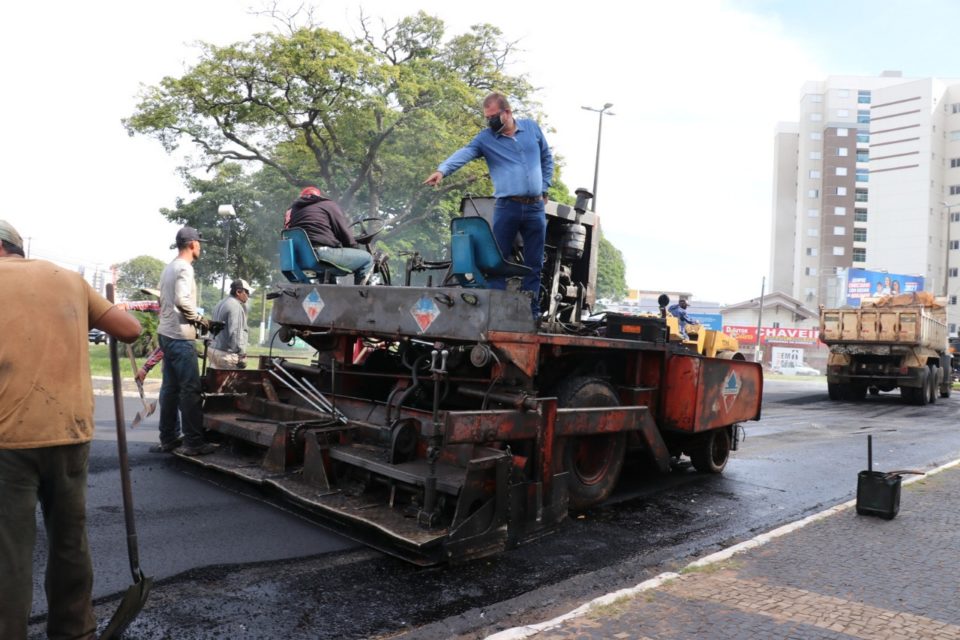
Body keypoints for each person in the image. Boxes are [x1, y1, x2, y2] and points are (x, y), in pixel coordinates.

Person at [0, 219, 142, 640]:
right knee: (69, 540)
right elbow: (130, 330)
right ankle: (75, 630)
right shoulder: (70, 279)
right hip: (71, 430)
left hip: (9, 439)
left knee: (9, 552)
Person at [423, 92, 554, 318]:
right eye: (487, 117)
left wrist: (544, 187)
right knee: (497, 261)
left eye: (493, 116)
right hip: (507, 207)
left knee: (535, 263)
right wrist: (442, 170)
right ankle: (496, 314)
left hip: (535, 208)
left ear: (508, 113)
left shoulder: (532, 129)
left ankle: (530, 313)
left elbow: (546, 158)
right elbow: (465, 153)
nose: (490, 121)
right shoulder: (486, 139)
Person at [156, 226, 217, 456]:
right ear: (192, 244)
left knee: (169, 389)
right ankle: (194, 442)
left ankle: (169, 438)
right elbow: (182, 300)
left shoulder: (169, 267)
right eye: (199, 243)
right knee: (190, 390)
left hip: (166, 334)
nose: (200, 246)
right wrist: (200, 320)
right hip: (180, 337)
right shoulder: (185, 268)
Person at [285, 186, 373, 284]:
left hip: (298, 258)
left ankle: (328, 295)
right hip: (321, 254)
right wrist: (354, 248)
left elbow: (287, 231)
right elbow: (343, 232)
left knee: (326, 267)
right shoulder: (327, 204)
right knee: (367, 259)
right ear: (318, 196)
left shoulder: (292, 211)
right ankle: (361, 296)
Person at [209, 279, 252, 369]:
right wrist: (241, 354)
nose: (248, 295)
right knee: (232, 383)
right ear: (238, 292)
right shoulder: (235, 306)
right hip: (226, 354)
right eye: (247, 292)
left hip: (213, 350)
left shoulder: (221, 303)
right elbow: (235, 333)